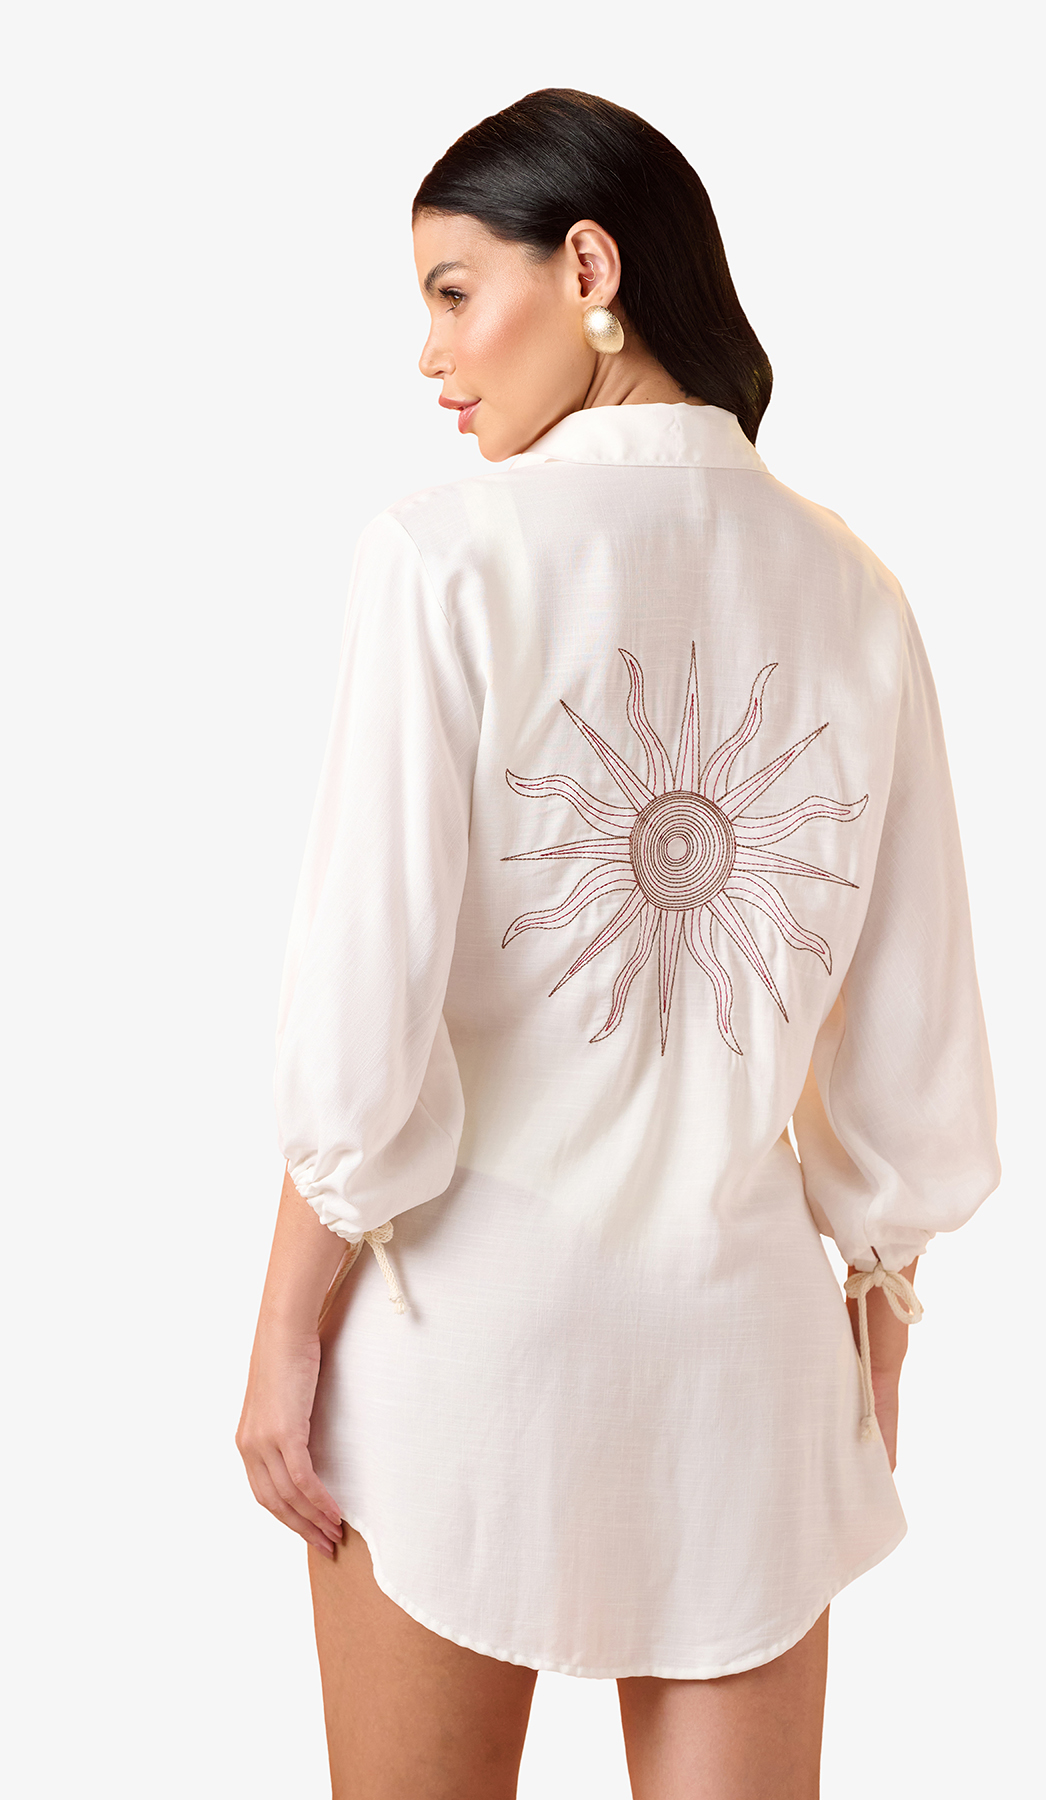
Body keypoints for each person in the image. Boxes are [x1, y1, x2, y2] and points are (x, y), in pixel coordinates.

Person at [237, 87, 1000, 1800]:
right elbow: (911, 1026)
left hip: (467, 1350)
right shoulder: (857, 593)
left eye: (454, 291)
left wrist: (284, 1336)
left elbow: (367, 1018)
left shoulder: (442, 562)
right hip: (743, 1362)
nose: (430, 355)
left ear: (589, 268)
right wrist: (878, 1308)